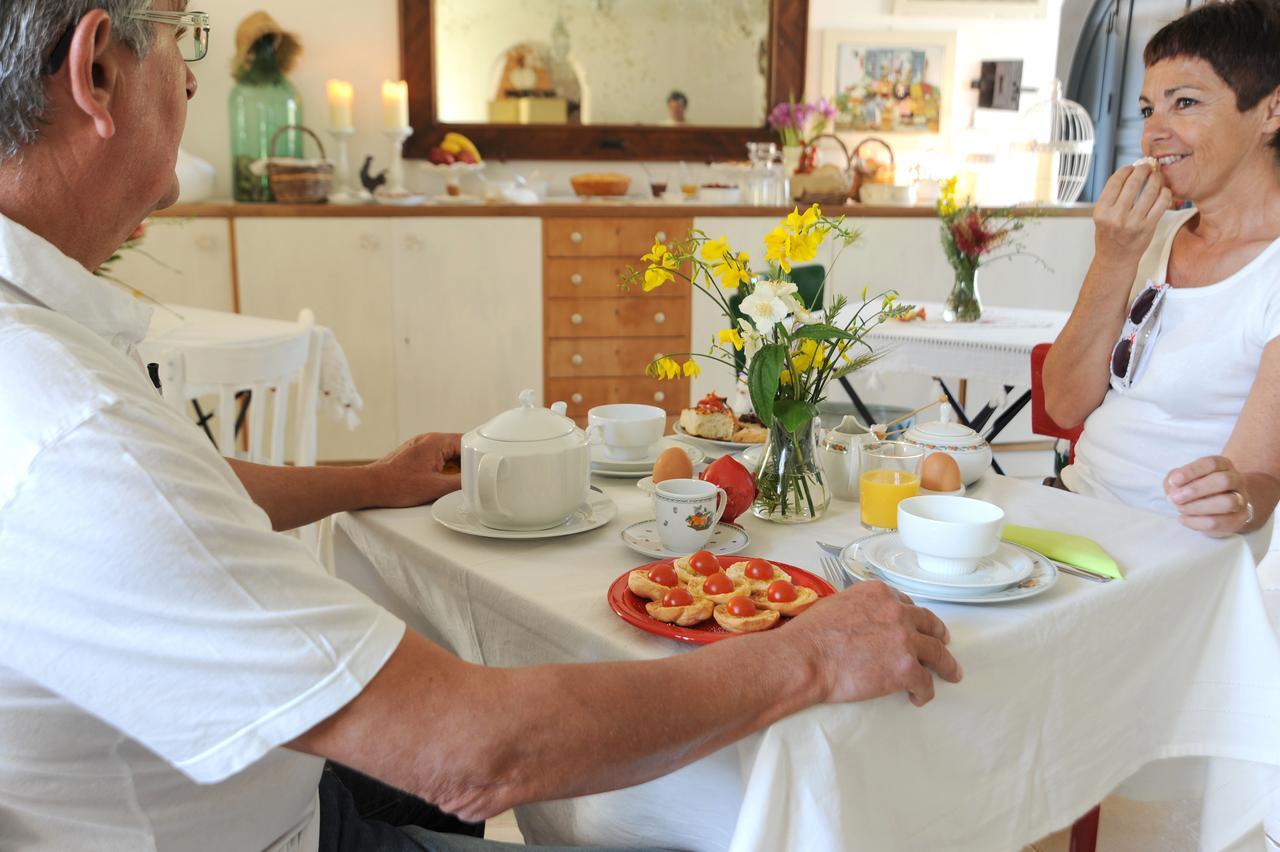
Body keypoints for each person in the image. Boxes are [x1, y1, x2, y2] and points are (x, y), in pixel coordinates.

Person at [0, 4, 962, 851]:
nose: (195, 73)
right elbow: (474, 754)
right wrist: (806, 653)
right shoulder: (72, 429)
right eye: (183, 37)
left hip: (277, 774)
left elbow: (179, 500)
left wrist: (366, 480)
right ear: (97, 71)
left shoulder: (49, 370)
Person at [1043, 0, 1280, 554]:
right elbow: (1064, 405)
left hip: (1172, 552)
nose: (1153, 135)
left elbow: (1259, 483)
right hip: (1074, 512)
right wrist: (1114, 256)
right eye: (1149, 109)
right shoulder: (1153, 235)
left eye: (1186, 103)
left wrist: (1234, 496)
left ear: (1271, 111)